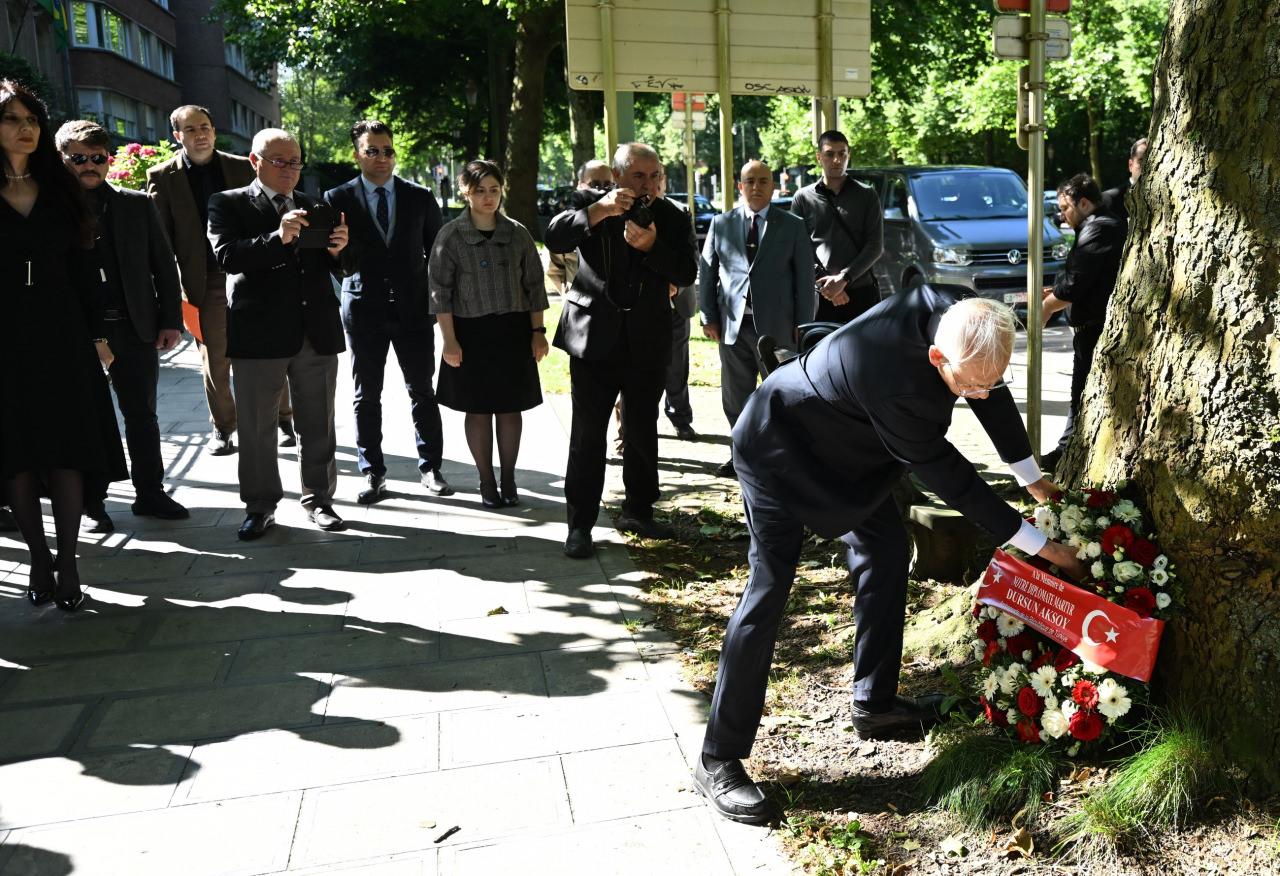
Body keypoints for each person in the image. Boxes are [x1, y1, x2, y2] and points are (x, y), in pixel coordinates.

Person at [692, 289, 1090, 824]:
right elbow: (959, 484)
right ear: (936, 359)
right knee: (768, 592)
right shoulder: (899, 387)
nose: (979, 393)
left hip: (854, 454)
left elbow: (988, 389)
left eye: (991, 380)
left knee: (885, 551)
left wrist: (1031, 478)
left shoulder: (964, 317)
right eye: (965, 386)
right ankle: (719, 756)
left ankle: (874, 704)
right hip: (781, 449)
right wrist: (1046, 549)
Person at [0, 80, 126, 611]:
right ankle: (37, 558)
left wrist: (97, 335)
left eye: (31, 119)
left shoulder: (62, 189)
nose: (25, 128)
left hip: (63, 332)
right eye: (11, 119)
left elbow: (84, 271)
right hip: (4, 337)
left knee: (68, 447)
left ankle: (69, 560)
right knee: (17, 455)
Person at [546, 142, 699, 559]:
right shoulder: (590, 206)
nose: (647, 184)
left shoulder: (671, 216)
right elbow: (554, 235)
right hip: (593, 337)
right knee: (588, 434)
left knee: (641, 428)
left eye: (654, 176)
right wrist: (601, 210)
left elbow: (687, 270)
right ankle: (580, 525)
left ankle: (639, 509)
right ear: (618, 177)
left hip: (646, 338)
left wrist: (651, 247)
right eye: (638, 176)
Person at [207, 128, 349, 540]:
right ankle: (259, 505)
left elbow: (342, 268)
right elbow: (228, 257)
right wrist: (278, 237)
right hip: (259, 332)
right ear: (255, 162)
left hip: (315, 331)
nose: (290, 170)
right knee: (255, 426)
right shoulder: (227, 203)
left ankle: (319, 499)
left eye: (296, 162)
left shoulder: (315, 205)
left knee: (318, 422)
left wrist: (339, 250)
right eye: (280, 161)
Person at [56, 120, 188, 534]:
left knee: (142, 415)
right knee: (86, 417)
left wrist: (170, 321)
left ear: (109, 161)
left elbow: (164, 266)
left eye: (98, 158)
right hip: (75, 332)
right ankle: (93, 503)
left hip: (134, 327)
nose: (90, 165)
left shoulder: (135, 203)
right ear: (62, 160)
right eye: (79, 158)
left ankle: (150, 492)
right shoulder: (50, 208)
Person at [147, 105, 294, 457]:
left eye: (205, 127)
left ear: (214, 131)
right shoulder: (162, 176)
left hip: (250, 269)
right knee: (216, 358)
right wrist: (171, 288)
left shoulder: (241, 166)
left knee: (271, 345)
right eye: (191, 129)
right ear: (177, 136)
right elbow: (161, 238)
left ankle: (286, 419)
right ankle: (224, 428)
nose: (200, 134)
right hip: (204, 279)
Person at [324, 119, 452, 505]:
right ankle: (373, 472)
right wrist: (336, 253)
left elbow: (438, 255)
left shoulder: (419, 196)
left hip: (413, 309)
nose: (382, 158)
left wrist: (438, 304)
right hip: (363, 308)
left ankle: (431, 466)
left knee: (422, 391)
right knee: (367, 394)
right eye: (373, 151)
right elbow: (331, 260)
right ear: (357, 154)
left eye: (388, 150)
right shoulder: (336, 199)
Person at [429, 160, 548, 507]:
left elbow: (534, 286)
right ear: (466, 191)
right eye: (480, 190)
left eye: (494, 190)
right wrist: (449, 340)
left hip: (512, 330)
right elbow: (439, 292)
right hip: (469, 333)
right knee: (478, 409)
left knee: (511, 408)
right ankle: (486, 481)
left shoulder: (518, 233)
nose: (488, 197)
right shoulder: (450, 236)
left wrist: (537, 331)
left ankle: (509, 478)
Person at [699, 158, 816, 478]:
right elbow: (708, 273)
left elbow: (804, 280)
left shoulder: (791, 225)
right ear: (740, 186)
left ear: (773, 186)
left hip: (777, 328)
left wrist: (803, 324)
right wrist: (708, 315)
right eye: (749, 181)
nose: (756, 187)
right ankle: (741, 456)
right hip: (732, 325)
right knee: (735, 396)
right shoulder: (721, 224)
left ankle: (783, 455)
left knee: (781, 394)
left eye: (763, 181)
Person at [1039, 173, 1127, 473]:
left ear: (1084, 203)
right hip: (1089, 327)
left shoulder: (1100, 228)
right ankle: (1065, 453)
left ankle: (1064, 456)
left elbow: (1076, 284)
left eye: (1065, 207)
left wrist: (1046, 308)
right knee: (1080, 395)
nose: (1062, 215)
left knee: (1082, 396)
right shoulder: (1096, 226)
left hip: (1095, 328)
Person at [791, 130, 883, 324]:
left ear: (849, 156)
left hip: (861, 293)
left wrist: (843, 280)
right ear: (819, 157)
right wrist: (828, 286)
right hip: (820, 295)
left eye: (842, 154)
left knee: (862, 353)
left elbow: (875, 246)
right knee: (819, 352)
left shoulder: (867, 195)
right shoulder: (803, 198)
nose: (836, 160)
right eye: (830, 154)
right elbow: (798, 247)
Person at [545, 160, 613, 298]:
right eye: (594, 184)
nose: (601, 190)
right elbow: (554, 270)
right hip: (581, 306)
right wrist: (570, 294)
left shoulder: (618, 220)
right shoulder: (563, 224)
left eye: (607, 184)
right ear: (580, 185)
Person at [1101, 138, 1148, 224]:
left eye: (1150, 161)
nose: (1146, 166)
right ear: (1130, 165)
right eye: (1141, 160)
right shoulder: (1110, 198)